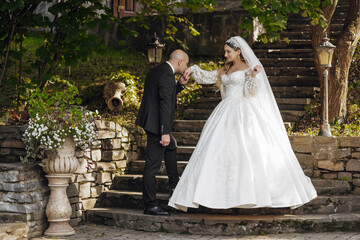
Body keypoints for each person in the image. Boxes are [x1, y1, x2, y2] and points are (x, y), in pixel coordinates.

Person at [168, 36, 317, 211]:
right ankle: (217, 195)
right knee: (217, 150)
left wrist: (253, 77)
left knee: (249, 150)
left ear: (238, 51)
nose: (225, 54)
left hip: (244, 111)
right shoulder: (226, 68)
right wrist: (193, 69)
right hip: (224, 111)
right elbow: (208, 77)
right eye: (225, 51)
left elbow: (251, 93)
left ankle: (255, 194)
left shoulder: (249, 68)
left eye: (228, 51)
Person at [136, 49, 190, 216]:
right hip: (156, 126)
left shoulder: (158, 71)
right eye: (186, 63)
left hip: (150, 121)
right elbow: (165, 104)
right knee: (152, 167)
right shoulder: (167, 75)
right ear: (180, 62)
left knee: (171, 148)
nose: (186, 66)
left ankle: (174, 185)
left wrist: (179, 85)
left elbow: (164, 94)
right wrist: (164, 132)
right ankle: (150, 205)